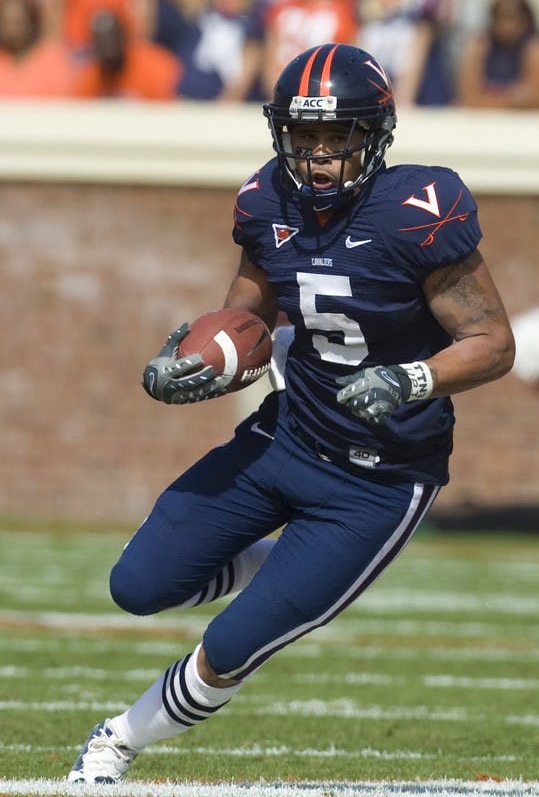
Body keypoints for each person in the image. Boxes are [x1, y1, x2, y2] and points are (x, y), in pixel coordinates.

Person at [67, 42, 515, 784]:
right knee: (138, 586)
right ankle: (286, 564)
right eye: (302, 138)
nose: (316, 156)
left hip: (376, 483)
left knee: (232, 643)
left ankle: (116, 741)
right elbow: (246, 313)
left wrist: (409, 379)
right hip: (287, 436)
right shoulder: (265, 200)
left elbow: (491, 343)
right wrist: (197, 358)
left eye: (335, 137)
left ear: (372, 135)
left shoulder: (417, 212)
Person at [455, 0, 539, 109]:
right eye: (502, 17)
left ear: (526, 19)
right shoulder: (479, 47)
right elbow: (469, 98)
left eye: (513, 18)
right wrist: (514, 98)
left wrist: (493, 99)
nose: (508, 25)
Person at [71, 7, 181, 99]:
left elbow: (167, 113)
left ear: (124, 38)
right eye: (101, 42)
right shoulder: (90, 76)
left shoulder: (154, 68)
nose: (108, 47)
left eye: (112, 39)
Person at [0, 0, 75, 97]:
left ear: (31, 23)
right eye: (6, 23)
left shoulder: (52, 58)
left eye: (17, 23)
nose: (11, 30)